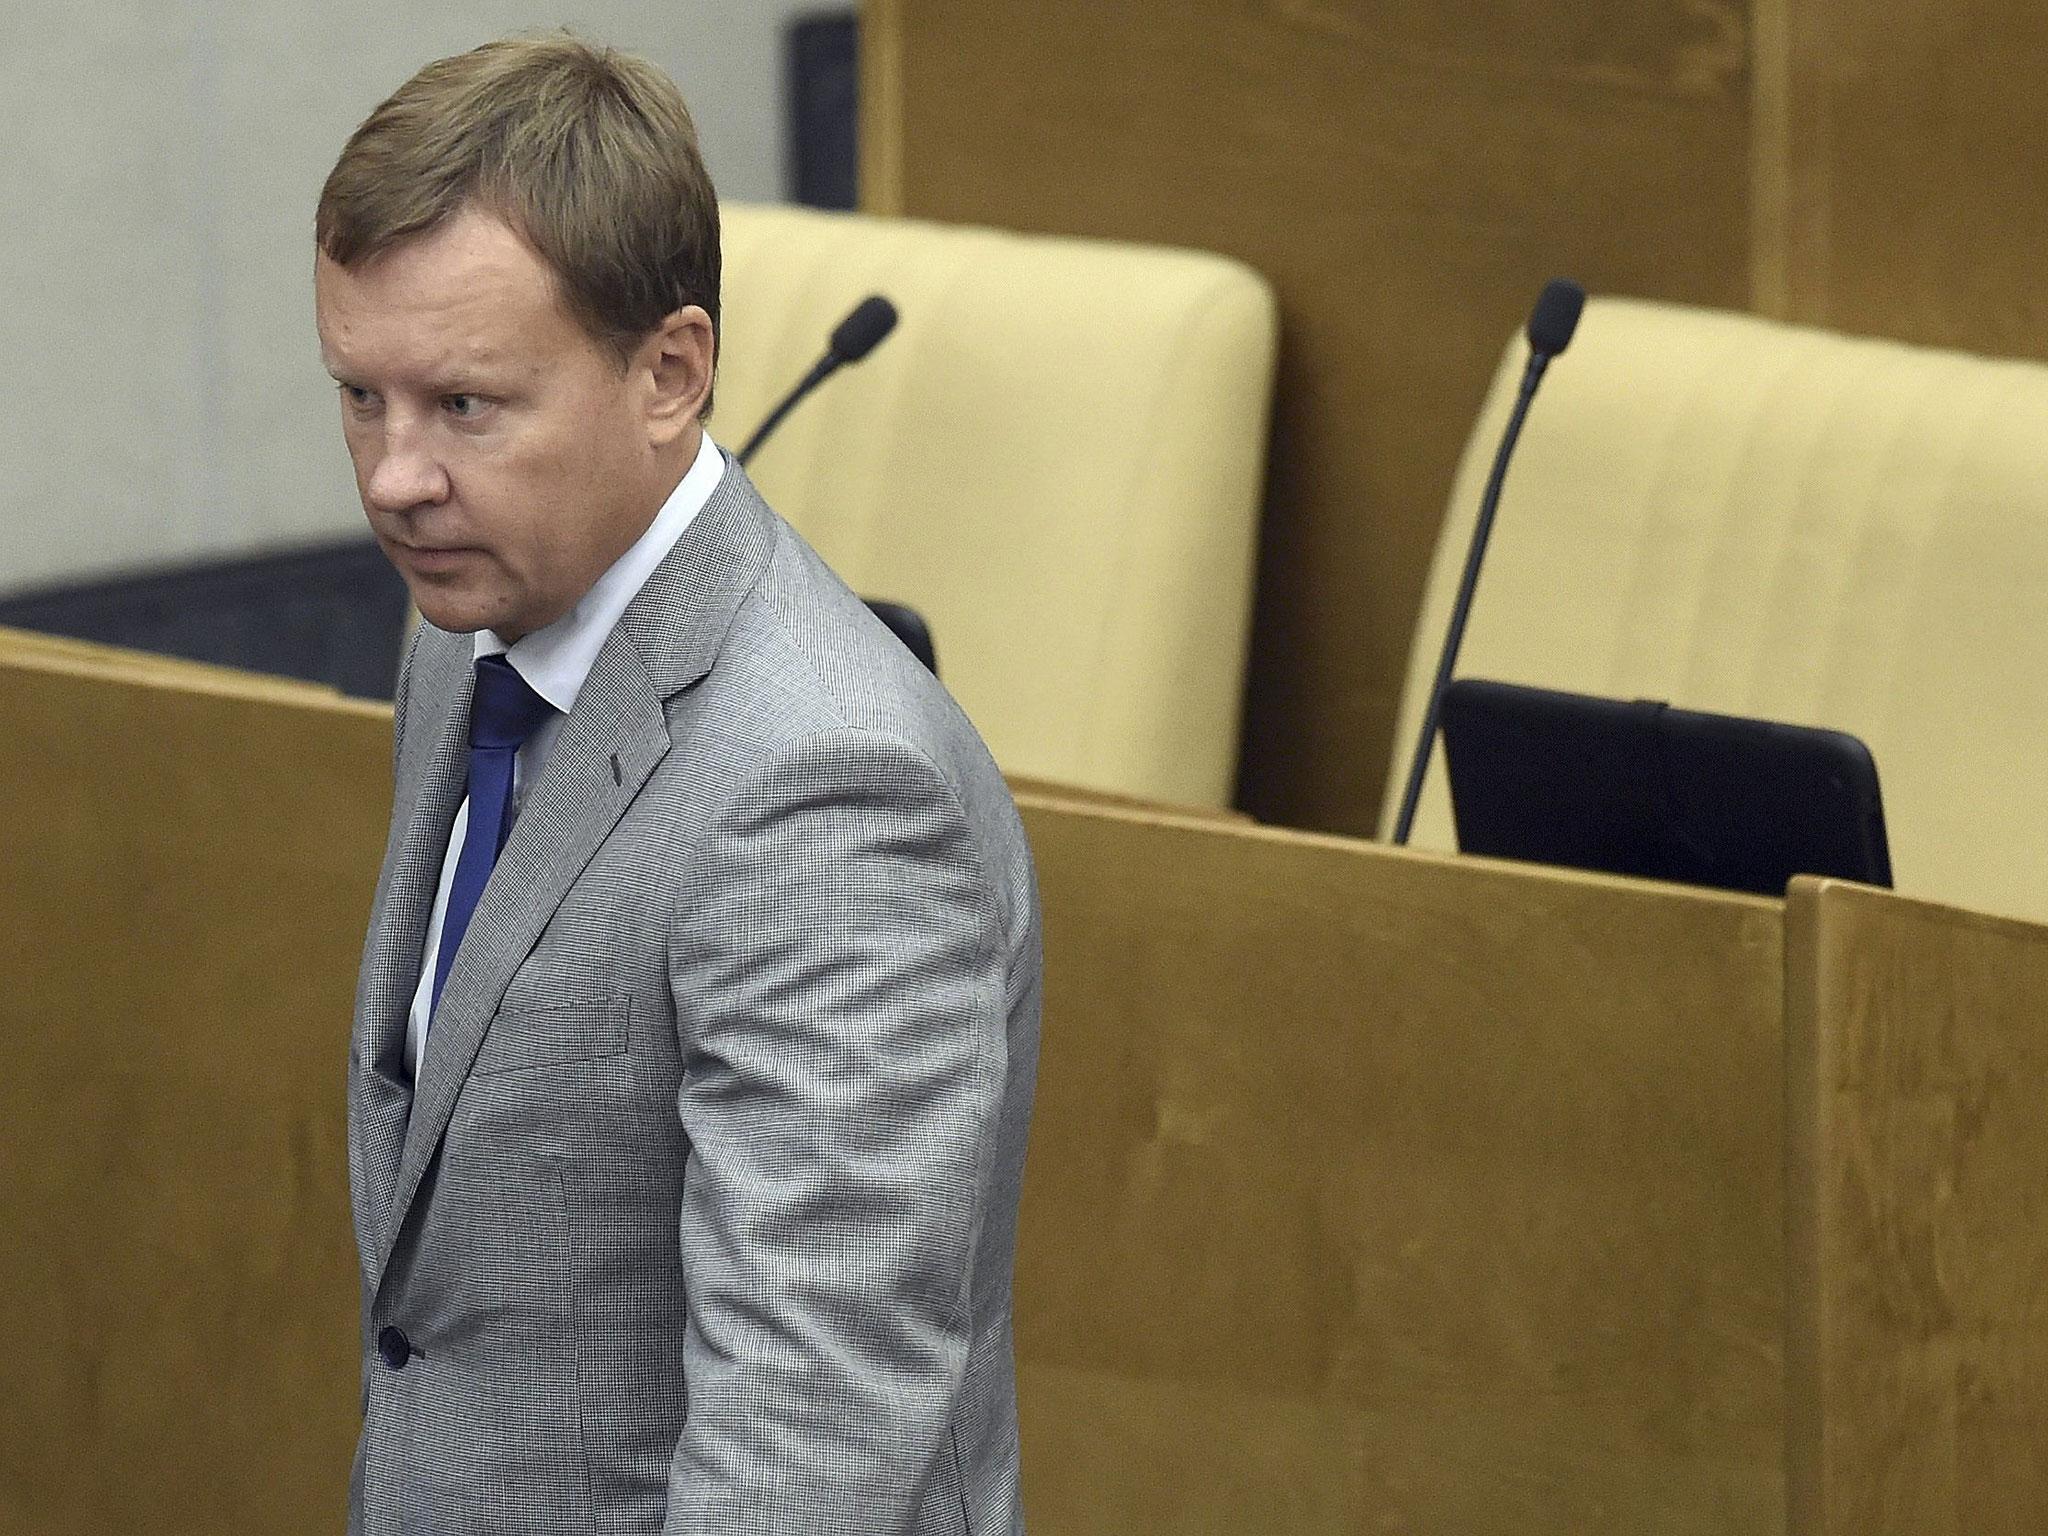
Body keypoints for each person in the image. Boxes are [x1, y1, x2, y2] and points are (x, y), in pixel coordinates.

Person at [316, 34, 1040, 1536]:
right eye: (360, 398)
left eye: (462, 405)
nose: (393, 477)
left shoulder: (829, 795)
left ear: (671, 373)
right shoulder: (469, 624)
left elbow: (809, 1436)